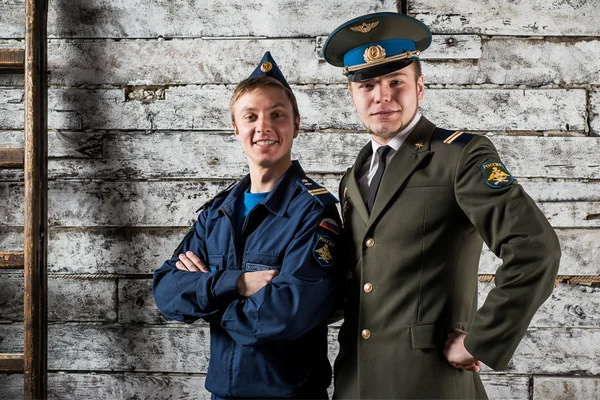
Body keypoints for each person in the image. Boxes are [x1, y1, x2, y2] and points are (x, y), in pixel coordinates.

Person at [322, 12, 561, 399]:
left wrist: (480, 340)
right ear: (352, 95)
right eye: (367, 85)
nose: (381, 96)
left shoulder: (460, 157)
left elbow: (535, 249)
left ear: (420, 87)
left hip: (429, 382)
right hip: (356, 382)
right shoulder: (353, 178)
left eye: (395, 82)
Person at [153, 52, 344, 399]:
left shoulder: (314, 211)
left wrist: (206, 297)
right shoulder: (217, 214)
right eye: (251, 116)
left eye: (277, 115)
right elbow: (166, 291)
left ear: (296, 125)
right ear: (236, 129)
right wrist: (237, 283)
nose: (264, 127)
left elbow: (285, 315)